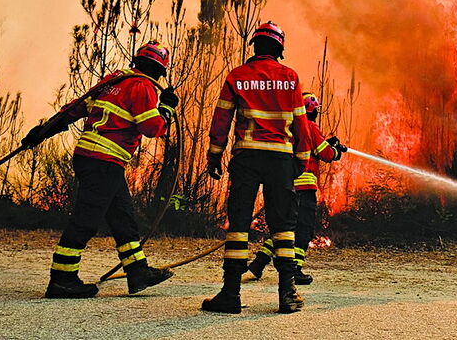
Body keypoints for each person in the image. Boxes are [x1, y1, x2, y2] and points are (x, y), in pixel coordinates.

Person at [21, 40, 179, 299]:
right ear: (160, 71)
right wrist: (166, 108)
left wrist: (44, 131)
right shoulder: (143, 87)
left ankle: (138, 271)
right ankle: (62, 279)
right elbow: (152, 128)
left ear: (137, 61)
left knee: (122, 216)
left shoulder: (112, 81)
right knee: (86, 219)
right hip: (104, 160)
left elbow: (75, 108)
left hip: (93, 158)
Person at [202, 21, 312, 314]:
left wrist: (214, 156)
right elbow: (301, 123)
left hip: (247, 158)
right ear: (280, 49)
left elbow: (222, 119)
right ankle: (287, 292)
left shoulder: (237, 76)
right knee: (284, 226)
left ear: (255, 46)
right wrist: (300, 159)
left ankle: (230, 293)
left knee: (239, 224)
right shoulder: (290, 78)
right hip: (280, 160)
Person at [247, 91, 347, 285]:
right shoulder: (309, 126)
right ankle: (295, 270)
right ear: (312, 109)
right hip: (304, 188)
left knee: (283, 228)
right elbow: (325, 153)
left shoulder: (288, 127)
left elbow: (315, 146)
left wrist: (328, 142)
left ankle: (258, 264)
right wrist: (336, 151)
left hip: (286, 185)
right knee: (304, 230)